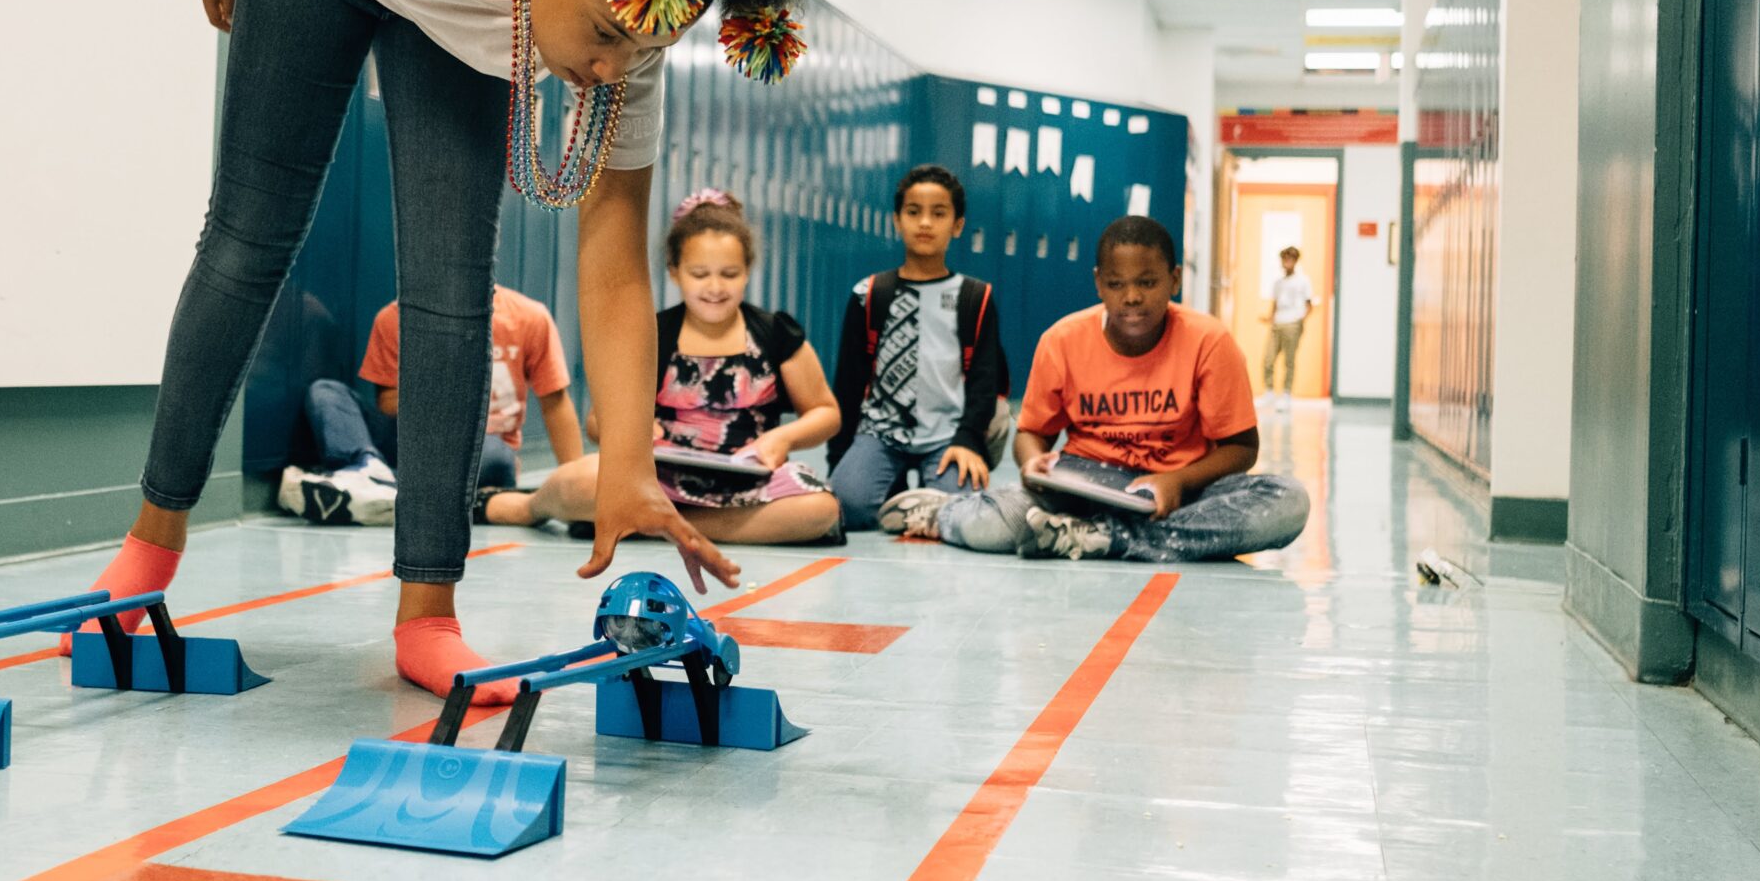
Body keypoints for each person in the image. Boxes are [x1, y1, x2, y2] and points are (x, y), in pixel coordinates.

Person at [77, 0, 846, 703]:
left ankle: (429, 613)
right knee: (251, 233)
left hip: (466, 25)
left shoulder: (629, 21)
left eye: (641, 51)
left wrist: (630, 468)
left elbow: (612, 268)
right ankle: (151, 546)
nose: (612, 70)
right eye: (607, 37)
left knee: (452, 292)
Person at [883, 215, 1309, 561]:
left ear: (1174, 279)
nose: (1131, 298)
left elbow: (1241, 448)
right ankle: (946, 513)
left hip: (1177, 492)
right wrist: (1033, 465)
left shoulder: (1208, 341)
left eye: (1147, 282)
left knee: (1287, 502)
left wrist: (1176, 481)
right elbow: (1033, 433)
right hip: (1085, 486)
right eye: (1116, 284)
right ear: (1098, 282)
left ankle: (1100, 539)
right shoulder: (1062, 340)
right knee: (988, 526)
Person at [482, 191, 844, 544]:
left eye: (729, 274)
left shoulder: (775, 334)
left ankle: (659, 524)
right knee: (579, 478)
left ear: (747, 271)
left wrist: (782, 437)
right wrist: (638, 429)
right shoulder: (653, 335)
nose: (715, 287)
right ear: (674, 271)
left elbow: (826, 412)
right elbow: (597, 421)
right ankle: (528, 507)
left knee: (819, 507)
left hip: (748, 482)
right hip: (658, 478)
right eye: (700, 274)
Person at [280, 287, 584, 526]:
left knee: (498, 458)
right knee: (326, 392)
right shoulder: (394, 317)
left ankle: (376, 490)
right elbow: (386, 404)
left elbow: (555, 404)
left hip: (480, 449)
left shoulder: (529, 317)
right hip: (408, 441)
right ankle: (366, 469)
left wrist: (575, 480)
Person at [826, 165, 1007, 531]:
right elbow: (848, 381)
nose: (925, 222)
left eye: (938, 213)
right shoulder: (869, 293)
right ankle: (892, 487)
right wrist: (839, 459)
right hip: (882, 430)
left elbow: (986, 378)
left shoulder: (976, 296)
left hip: (949, 434)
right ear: (897, 220)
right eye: (913, 212)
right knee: (849, 506)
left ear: (957, 225)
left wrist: (970, 440)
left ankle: (920, 490)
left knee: (959, 512)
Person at [1263, 244, 1316, 403]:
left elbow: (1309, 304)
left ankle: (1286, 393)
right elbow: (1275, 303)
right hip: (1278, 323)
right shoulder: (1278, 282)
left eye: (1289, 259)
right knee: (1268, 358)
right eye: (1284, 259)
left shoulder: (1303, 280)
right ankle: (1270, 391)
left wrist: (1299, 319)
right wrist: (1270, 318)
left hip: (1293, 323)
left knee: (1289, 360)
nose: (1286, 262)